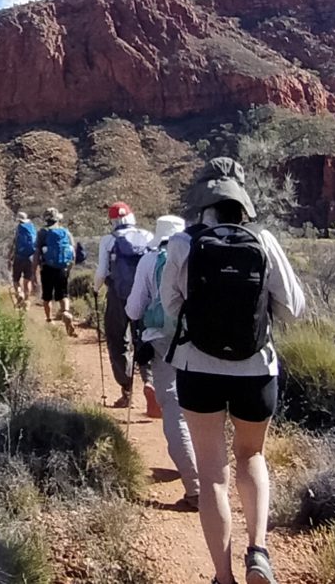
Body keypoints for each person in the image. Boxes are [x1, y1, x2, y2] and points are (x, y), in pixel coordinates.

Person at [159, 158, 305, 584]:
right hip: (255, 367)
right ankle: (258, 552)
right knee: (252, 456)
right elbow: (294, 307)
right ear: (243, 197)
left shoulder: (183, 244)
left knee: (212, 473)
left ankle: (223, 578)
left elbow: (170, 308)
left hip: (197, 368)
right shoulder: (263, 240)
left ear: (202, 199)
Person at [123, 213, 197, 510]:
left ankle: (196, 488)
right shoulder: (198, 254)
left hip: (164, 340)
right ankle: (209, 476)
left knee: (174, 410)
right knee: (200, 410)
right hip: (199, 339)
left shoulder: (149, 260)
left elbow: (133, 308)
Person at [95, 201, 152, 409]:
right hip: (145, 295)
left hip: (117, 296)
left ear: (113, 220)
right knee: (146, 338)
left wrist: (95, 289)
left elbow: (102, 272)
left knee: (117, 339)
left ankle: (126, 390)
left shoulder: (108, 241)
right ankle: (150, 383)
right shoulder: (147, 237)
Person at [36, 208, 79, 336]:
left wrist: (34, 271)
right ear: (58, 218)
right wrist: (69, 268)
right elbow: (73, 252)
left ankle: (49, 320)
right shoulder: (66, 232)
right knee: (63, 295)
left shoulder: (43, 232)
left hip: (47, 268)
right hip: (62, 268)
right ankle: (66, 312)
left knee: (47, 296)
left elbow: (37, 252)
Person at [10, 211, 39, 307]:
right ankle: (26, 300)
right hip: (31, 258)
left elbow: (14, 244)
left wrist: (10, 256)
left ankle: (19, 293)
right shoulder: (32, 228)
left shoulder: (19, 229)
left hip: (19, 257)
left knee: (16, 280)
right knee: (27, 281)